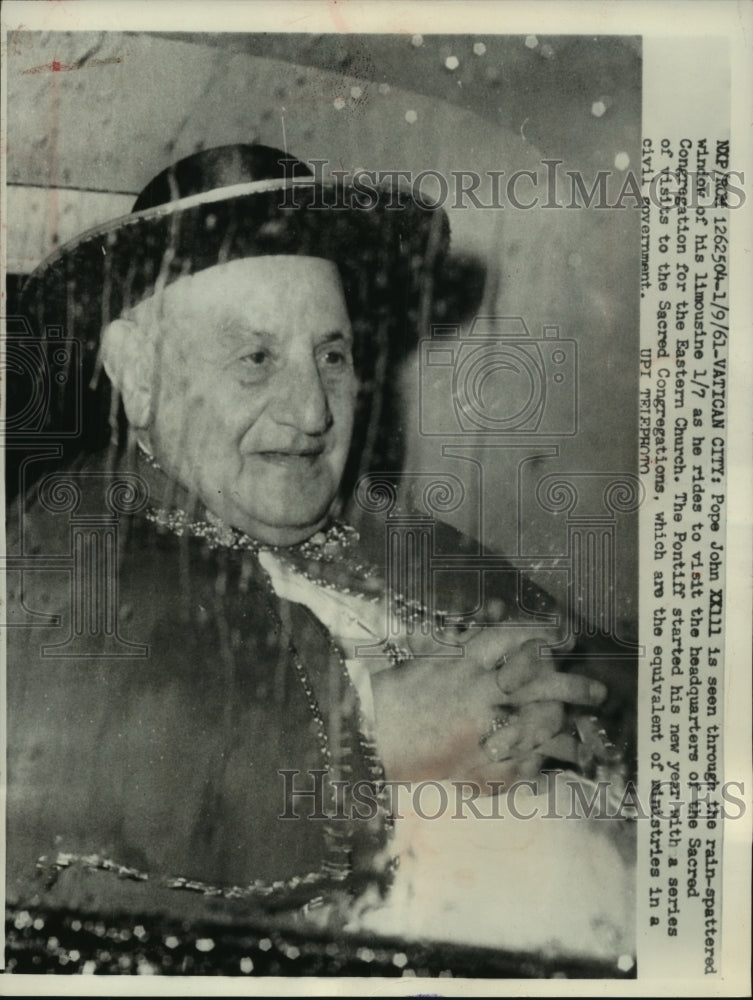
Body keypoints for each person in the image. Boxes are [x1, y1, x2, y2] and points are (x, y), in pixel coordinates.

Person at [5, 144, 634, 967]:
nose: (311, 414)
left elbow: (619, 682)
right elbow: (44, 755)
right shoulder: (65, 539)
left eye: (330, 357)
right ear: (137, 372)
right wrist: (376, 732)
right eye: (255, 358)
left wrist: (570, 719)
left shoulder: (387, 531)